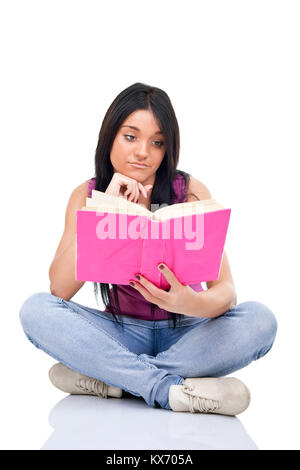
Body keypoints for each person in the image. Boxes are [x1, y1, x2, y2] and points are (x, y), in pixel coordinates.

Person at [19, 82, 277, 415]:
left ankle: (111, 377)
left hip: (186, 333)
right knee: (35, 309)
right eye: (130, 136)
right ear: (109, 136)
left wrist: (191, 301)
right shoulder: (86, 195)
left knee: (261, 321)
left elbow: (226, 292)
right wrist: (105, 208)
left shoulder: (190, 191)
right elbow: (60, 289)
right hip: (120, 331)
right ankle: (169, 389)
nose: (143, 152)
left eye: (157, 142)